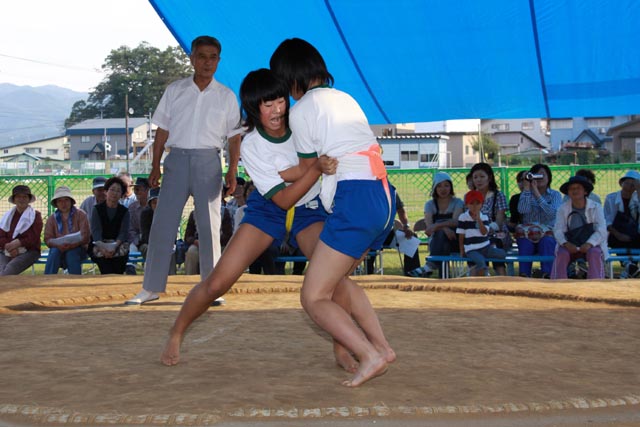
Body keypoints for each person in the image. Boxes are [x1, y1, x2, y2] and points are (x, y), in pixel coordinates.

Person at [161, 68, 394, 379]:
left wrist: (311, 171)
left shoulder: (302, 122)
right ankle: (177, 331)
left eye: (280, 101)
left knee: (333, 280)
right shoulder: (253, 144)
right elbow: (282, 199)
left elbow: (322, 161)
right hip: (267, 210)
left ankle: (358, 346)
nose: (277, 111)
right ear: (254, 109)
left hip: (310, 210)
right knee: (218, 282)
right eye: (266, 105)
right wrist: (313, 170)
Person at [270, 38, 396, 386]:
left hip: (355, 198)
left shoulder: (302, 110)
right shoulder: (346, 98)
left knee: (313, 296)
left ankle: (369, 354)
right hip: (381, 196)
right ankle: (381, 348)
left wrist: (274, 175)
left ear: (290, 77)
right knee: (335, 282)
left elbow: (311, 167)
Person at [126, 35, 241, 305]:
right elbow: (162, 130)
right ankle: (151, 287)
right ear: (191, 58)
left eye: (213, 57)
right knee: (162, 224)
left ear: (219, 61)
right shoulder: (175, 90)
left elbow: (235, 136)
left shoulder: (226, 95)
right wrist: (155, 165)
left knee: (210, 227)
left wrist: (232, 170)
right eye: (202, 56)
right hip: (175, 160)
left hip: (209, 161)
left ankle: (212, 288)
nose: (207, 62)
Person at [550, 176, 607, 280]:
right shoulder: (562, 209)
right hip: (569, 244)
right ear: (568, 192)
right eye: (572, 188)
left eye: (578, 188)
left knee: (595, 252)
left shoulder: (596, 207)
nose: (575, 191)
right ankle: (558, 284)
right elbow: (558, 230)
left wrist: (589, 243)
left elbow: (602, 230)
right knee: (562, 253)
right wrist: (566, 243)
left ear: (585, 191)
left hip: (591, 245)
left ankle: (596, 283)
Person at [516, 163, 562, 278]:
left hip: (548, 234)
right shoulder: (526, 194)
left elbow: (552, 214)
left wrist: (536, 193)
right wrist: (527, 188)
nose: (539, 178)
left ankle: (547, 274)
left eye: (543, 175)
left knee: (547, 241)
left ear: (549, 177)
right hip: (528, 234)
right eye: (536, 175)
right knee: (524, 243)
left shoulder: (555, 195)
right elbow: (522, 210)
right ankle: (524, 275)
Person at [420, 171, 464, 278]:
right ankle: (442, 276)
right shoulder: (429, 204)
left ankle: (431, 265)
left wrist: (437, 225)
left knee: (440, 233)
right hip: (437, 241)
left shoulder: (458, 202)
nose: (443, 189)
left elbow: (456, 222)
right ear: (434, 188)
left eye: (446, 185)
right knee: (440, 234)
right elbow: (429, 229)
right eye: (439, 186)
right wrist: (444, 228)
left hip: (456, 240)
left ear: (451, 187)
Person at [469, 163, 509, 275]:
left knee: (493, 245)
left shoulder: (498, 195)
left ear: (489, 178)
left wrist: (488, 229)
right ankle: (477, 280)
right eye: (475, 177)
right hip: (476, 234)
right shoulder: (470, 197)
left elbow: (500, 220)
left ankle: (502, 280)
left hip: (496, 234)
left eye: (482, 177)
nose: (478, 180)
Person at [457, 190, 506, 276]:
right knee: (481, 262)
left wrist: (479, 220)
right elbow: (461, 235)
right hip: (471, 249)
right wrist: (462, 249)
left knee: (502, 254)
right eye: (472, 203)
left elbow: (484, 233)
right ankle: (482, 281)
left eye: (478, 203)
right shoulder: (463, 217)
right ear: (467, 205)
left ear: (482, 204)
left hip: (485, 247)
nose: (475, 206)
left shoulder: (484, 217)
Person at [43, 186, 91, 275]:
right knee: (54, 252)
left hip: (78, 249)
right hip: (58, 249)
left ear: (71, 201)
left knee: (71, 253)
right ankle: (47, 279)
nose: (63, 203)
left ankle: (74, 282)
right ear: (56, 203)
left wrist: (72, 245)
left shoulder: (81, 215)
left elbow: (85, 237)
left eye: (66, 200)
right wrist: (58, 245)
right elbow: (47, 239)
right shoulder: (52, 219)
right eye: (60, 201)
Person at [89, 177, 130, 275]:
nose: (114, 193)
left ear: (121, 195)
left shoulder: (124, 211)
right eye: (112, 190)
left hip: (118, 243)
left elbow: (123, 232)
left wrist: (114, 247)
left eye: (118, 191)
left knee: (119, 263)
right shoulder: (97, 209)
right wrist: (103, 249)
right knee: (105, 264)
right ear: (106, 191)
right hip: (100, 243)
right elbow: (96, 231)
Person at [603, 170, 640, 278]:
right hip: (616, 234)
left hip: (634, 234)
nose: (629, 186)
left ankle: (629, 268)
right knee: (617, 240)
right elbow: (607, 220)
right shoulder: (611, 198)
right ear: (621, 183)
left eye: (633, 184)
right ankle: (630, 267)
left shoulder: (637, 198)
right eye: (627, 183)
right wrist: (618, 234)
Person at [0, 185, 43, 275]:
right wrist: (9, 247)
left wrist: (18, 244)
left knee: (8, 271)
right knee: (2, 270)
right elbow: (1, 235)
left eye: (25, 197)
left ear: (29, 199)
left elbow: (33, 238)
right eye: (18, 197)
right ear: (14, 199)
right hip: (6, 251)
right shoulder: (7, 216)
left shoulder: (36, 216)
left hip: (29, 251)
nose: (21, 199)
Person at [140, 188, 176, 275]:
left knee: (170, 250)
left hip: (166, 243)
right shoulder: (145, 214)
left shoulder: (170, 214)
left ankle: (172, 276)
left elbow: (173, 234)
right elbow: (145, 235)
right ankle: (151, 276)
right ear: (150, 204)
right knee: (150, 250)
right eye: (154, 202)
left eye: (160, 202)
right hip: (148, 244)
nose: (157, 205)